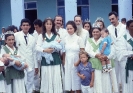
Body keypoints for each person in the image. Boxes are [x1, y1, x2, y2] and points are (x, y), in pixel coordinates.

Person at [85, 27, 118, 93]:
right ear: (91, 33)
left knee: (105, 79)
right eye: (94, 32)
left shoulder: (105, 39)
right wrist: (96, 55)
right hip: (94, 63)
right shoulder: (89, 40)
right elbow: (87, 50)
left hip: (105, 61)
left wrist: (107, 57)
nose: (95, 33)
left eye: (97, 31)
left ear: (101, 32)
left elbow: (113, 49)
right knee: (96, 80)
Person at [36, 18, 63, 93]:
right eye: (47, 24)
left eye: (50, 24)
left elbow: (60, 47)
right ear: (44, 25)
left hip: (55, 58)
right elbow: (37, 47)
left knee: (56, 77)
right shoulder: (41, 36)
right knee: (46, 77)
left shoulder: (56, 35)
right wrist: (45, 50)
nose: (49, 25)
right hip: (45, 59)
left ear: (52, 25)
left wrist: (54, 48)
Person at [14, 18, 38, 93]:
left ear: (30, 26)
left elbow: (34, 52)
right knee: (22, 82)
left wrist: (36, 66)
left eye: (27, 25)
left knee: (30, 82)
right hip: (21, 63)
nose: (25, 27)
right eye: (24, 25)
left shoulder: (32, 38)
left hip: (30, 63)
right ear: (21, 26)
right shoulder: (16, 35)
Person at [63, 21, 84, 93]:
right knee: (70, 80)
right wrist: (64, 62)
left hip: (76, 61)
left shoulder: (79, 39)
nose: (69, 30)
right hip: (68, 61)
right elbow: (64, 52)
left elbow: (82, 52)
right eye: (67, 29)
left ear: (74, 28)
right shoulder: (65, 39)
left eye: (71, 28)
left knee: (76, 79)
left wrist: (78, 62)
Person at [107, 11, 127, 92]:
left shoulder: (125, 27)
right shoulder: (109, 28)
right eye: (110, 19)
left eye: (113, 19)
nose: (111, 21)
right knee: (115, 77)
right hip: (114, 56)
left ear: (117, 17)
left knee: (124, 76)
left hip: (123, 55)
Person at [115, 20, 133, 93]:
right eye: (132, 26)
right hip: (127, 65)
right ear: (127, 28)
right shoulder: (123, 38)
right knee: (128, 85)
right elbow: (122, 52)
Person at [33, 19, 42, 92]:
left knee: (43, 73)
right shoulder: (34, 34)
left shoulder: (44, 34)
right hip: (36, 56)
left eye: (37, 27)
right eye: (35, 27)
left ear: (41, 27)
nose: (35, 29)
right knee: (36, 73)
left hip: (43, 56)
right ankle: (37, 89)